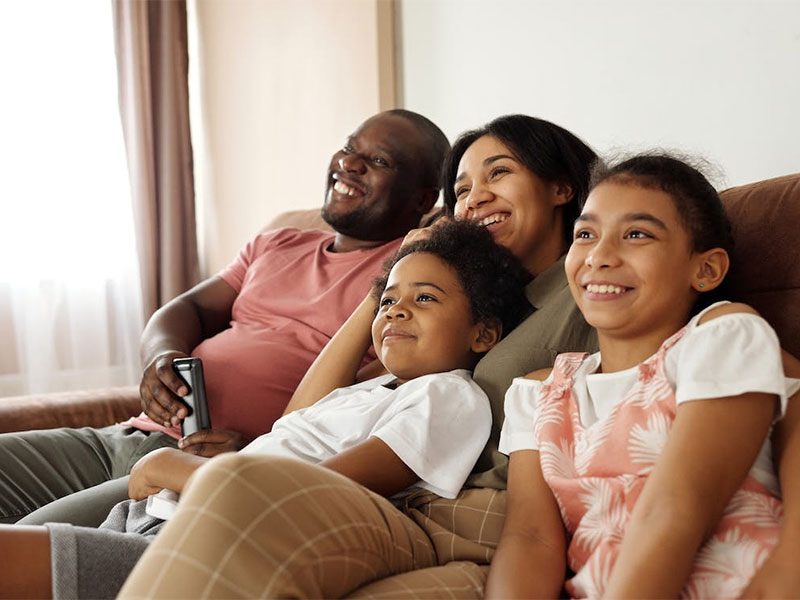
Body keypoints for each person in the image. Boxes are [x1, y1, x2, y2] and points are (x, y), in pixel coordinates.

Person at [111, 115, 604, 598]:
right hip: (263, 482)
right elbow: (303, 416)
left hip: (437, 509)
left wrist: (175, 469)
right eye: (461, 190)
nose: (474, 198)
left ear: (562, 188)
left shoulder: (583, 285)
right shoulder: (460, 305)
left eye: (498, 173)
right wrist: (386, 285)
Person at [0, 220, 531, 600]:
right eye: (389, 299)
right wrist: (379, 294)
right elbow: (294, 419)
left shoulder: (448, 396)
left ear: (483, 332)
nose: (395, 311)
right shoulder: (375, 389)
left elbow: (317, 493)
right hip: (164, 512)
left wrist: (184, 470)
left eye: (426, 299)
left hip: (208, 539)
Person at [0, 109, 450, 527]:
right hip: (131, 436)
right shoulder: (277, 244)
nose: (350, 164)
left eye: (377, 160)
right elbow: (185, 309)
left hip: (208, 466)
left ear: (422, 198)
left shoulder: (407, 277)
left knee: (25, 549)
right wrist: (162, 358)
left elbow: (367, 400)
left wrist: (264, 451)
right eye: (350, 148)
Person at [487, 154, 800, 598]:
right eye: (586, 234)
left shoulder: (725, 336)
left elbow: (676, 511)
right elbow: (530, 539)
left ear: (706, 269)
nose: (599, 256)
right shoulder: (538, 392)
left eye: (637, 234)